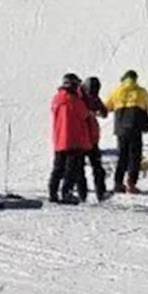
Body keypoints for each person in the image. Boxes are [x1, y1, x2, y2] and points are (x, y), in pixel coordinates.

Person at [105, 69, 148, 194]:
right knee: (135, 157)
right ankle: (131, 184)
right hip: (135, 128)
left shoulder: (117, 91)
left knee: (122, 157)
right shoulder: (141, 91)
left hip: (121, 130)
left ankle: (118, 184)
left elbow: (107, 107)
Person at [49, 73, 90, 204]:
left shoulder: (56, 99)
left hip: (60, 138)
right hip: (74, 139)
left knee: (58, 167)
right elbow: (84, 115)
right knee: (71, 169)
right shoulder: (75, 101)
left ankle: (53, 192)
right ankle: (66, 193)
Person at [78, 76, 109, 202]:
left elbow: (104, 111)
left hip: (92, 137)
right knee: (79, 168)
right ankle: (82, 194)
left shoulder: (93, 97)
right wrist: (89, 112)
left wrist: (100, 111)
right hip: (80, 137)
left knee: (98, 167)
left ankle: (101, 193)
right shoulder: (77, 97)